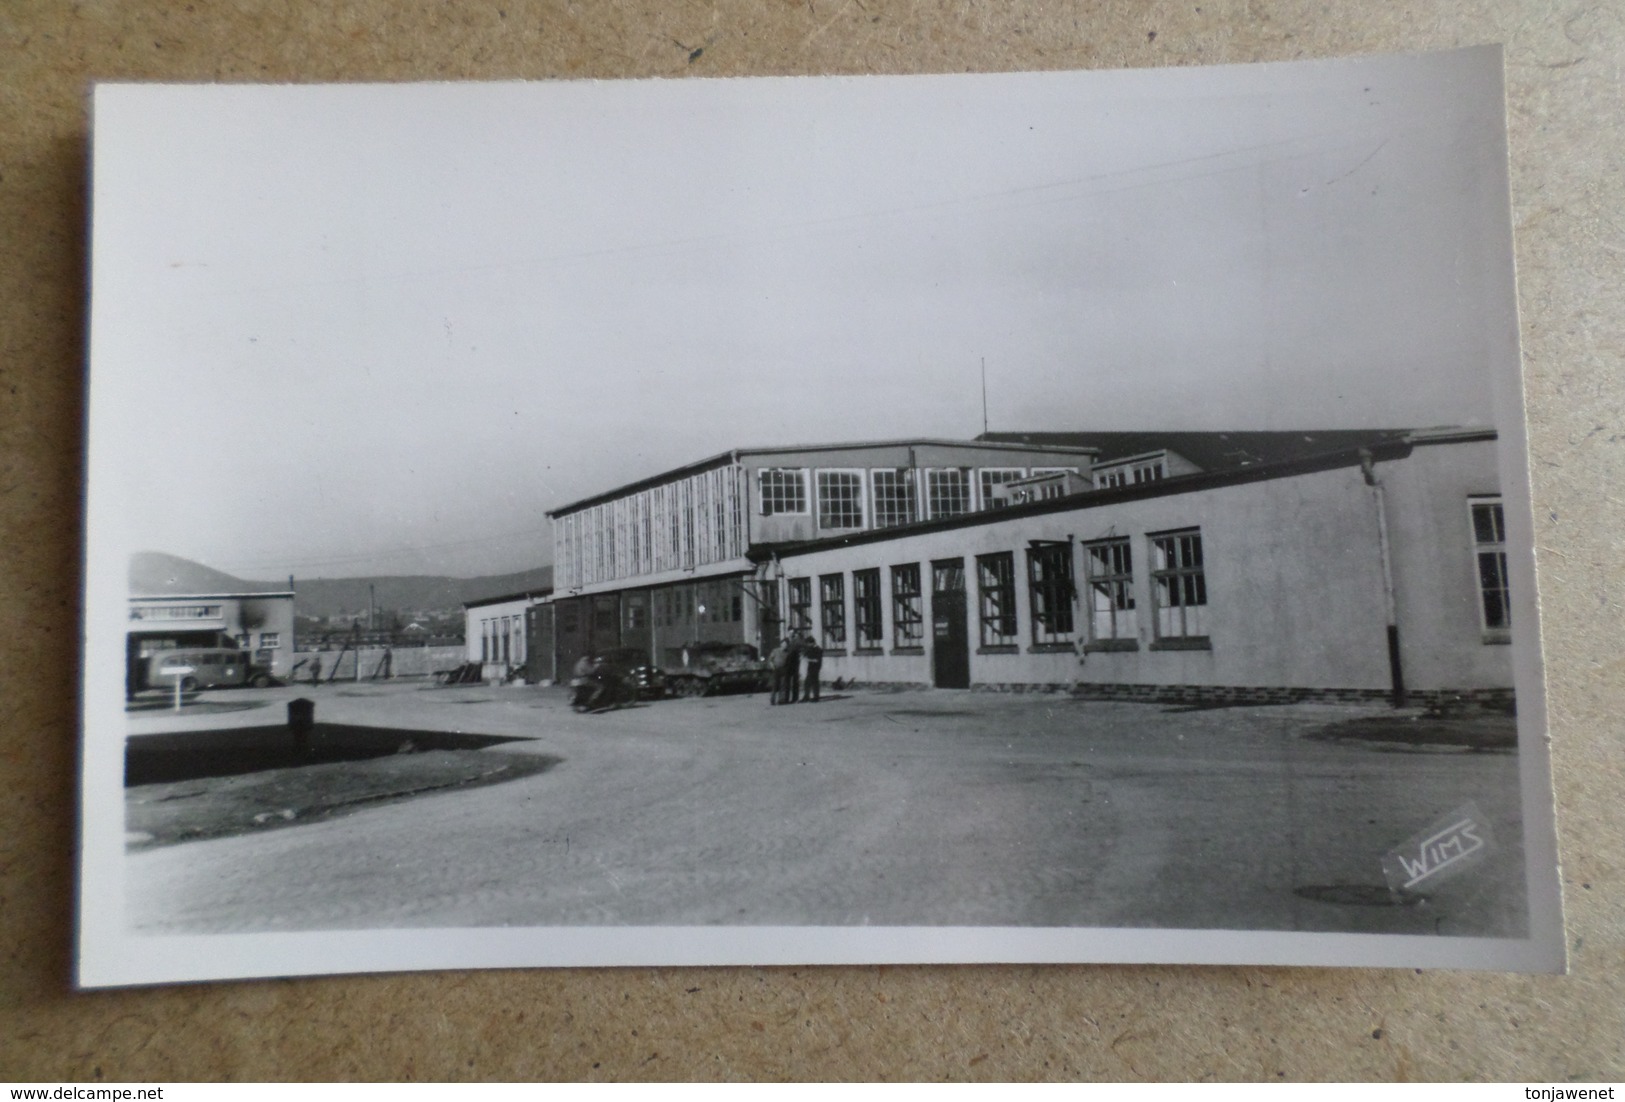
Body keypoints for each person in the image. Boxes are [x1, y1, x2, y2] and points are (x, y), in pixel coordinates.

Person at [767, 638, 793, 705]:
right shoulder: (775, 651)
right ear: (781, 644)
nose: (785, 646)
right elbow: (770, 659)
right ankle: (772, 700)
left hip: (783, 669)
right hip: (776, 669)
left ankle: (781, 700)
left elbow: (788, 662)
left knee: (783, 685)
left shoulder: (787, 653)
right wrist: (772, 666)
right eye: (784, 644)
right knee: (774, 685)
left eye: (786, 645)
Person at [800, 635, 823, 702]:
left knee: (814, 682)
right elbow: (805, 654)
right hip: (810, 668)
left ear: (812, 643)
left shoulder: (818, 649)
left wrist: (808, 659)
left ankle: (815, 697)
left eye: (808, 643)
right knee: (807, 682)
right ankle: (808, 696)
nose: (808, 645)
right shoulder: (810, 649)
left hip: (816, 668)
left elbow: (817, 660)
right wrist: (803, 655)